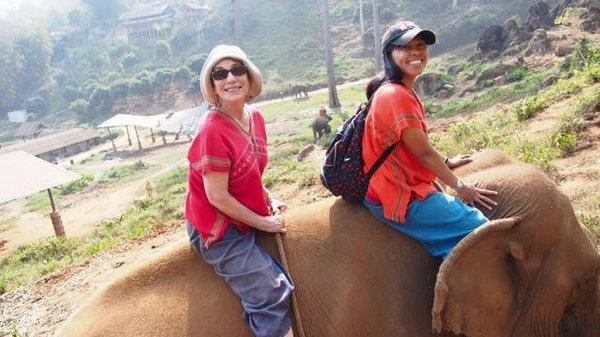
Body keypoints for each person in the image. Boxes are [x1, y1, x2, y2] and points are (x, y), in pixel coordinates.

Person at [362, 21, 498, 259]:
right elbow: (424, 154)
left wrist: (444, 160)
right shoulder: (395, 95)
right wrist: (460, 187)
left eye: (421, 45)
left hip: (400, 183)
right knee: (482, 230)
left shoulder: (399, 89)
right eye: (405, 47)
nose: (416, 52)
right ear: (389, 54)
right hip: (398, 192)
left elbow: (411, 145)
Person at [185, 45, 294, 337]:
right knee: (270, 293)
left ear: (249, 75)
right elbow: (217, 197)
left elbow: (250, 174)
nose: (230, 78)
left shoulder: (254, 117)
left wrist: (268, 196)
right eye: (220, 73)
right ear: (213, 86)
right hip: (217, 224)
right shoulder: (211, 130)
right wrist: (263, 222)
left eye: (237, 69)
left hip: (239, 207)